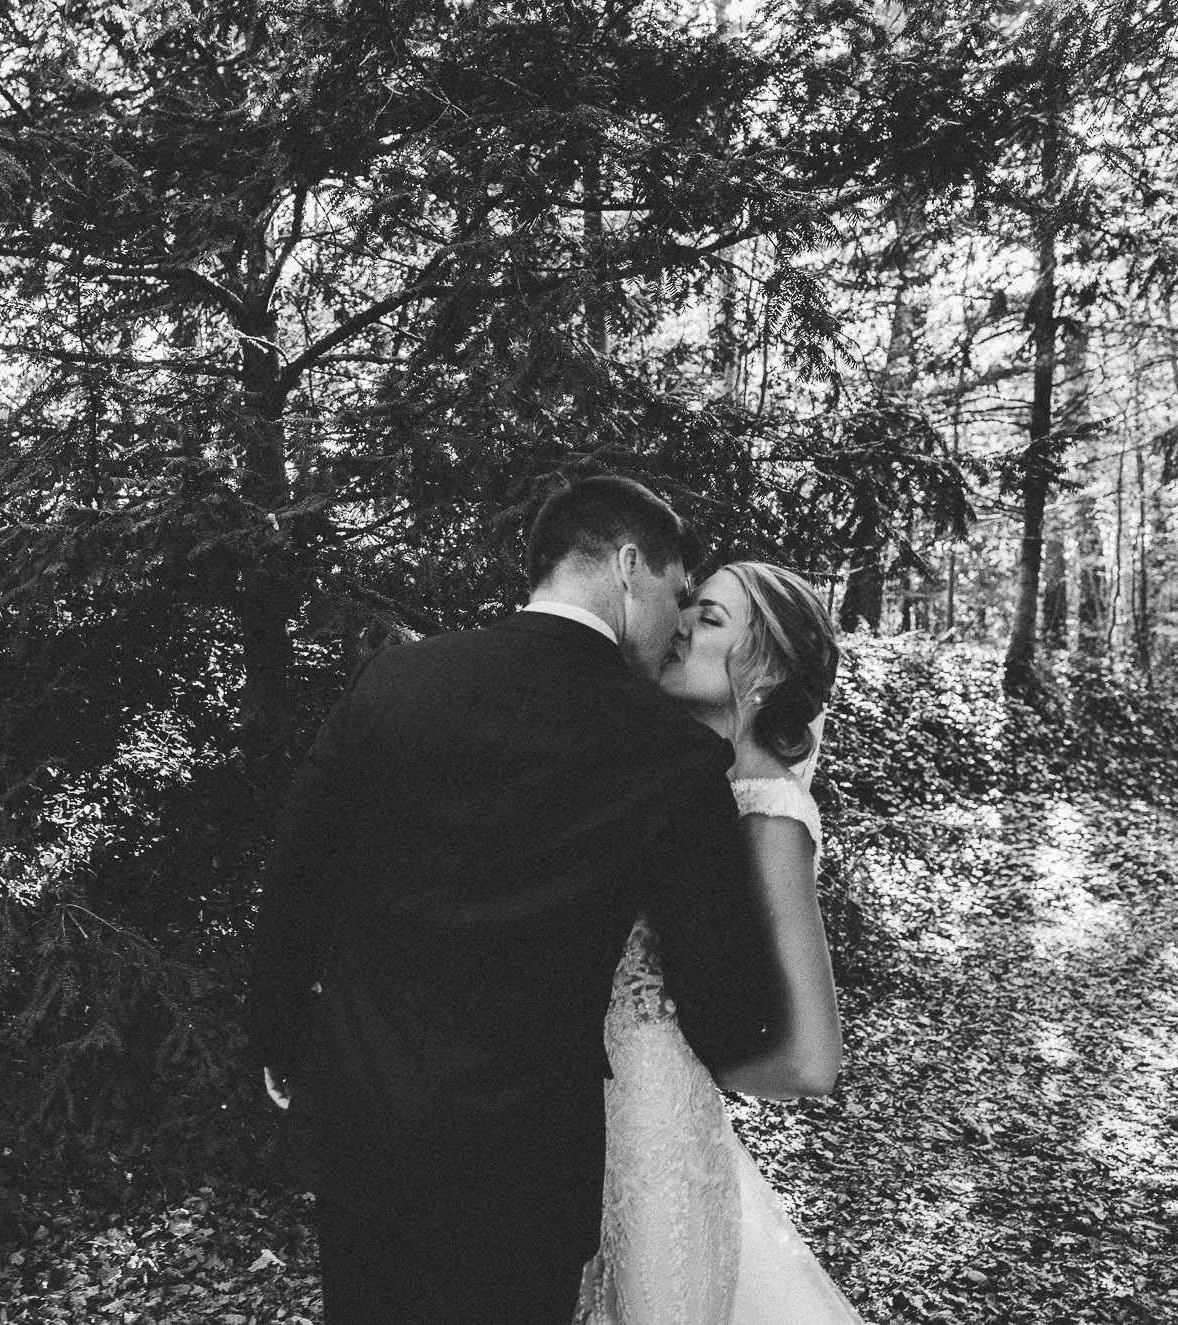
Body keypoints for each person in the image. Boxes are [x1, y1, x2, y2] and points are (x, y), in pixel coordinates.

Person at [246, 476, 790, 1325]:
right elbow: (723, 1005)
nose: (679, 625)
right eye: (679, 596)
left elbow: (298, 879)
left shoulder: (396, 680)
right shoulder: (669, 756)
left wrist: (279, 1035)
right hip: (520, 1166)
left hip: (365, 1126)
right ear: (628, 565)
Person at [577, 561, 860, 1325]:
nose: (681, 629)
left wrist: (677, 1072)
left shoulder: (766, 807)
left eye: (710, 619)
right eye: (689, 608)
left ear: (763, 664)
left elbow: (812, 1058)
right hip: (575, 1141)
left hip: (655, 1144)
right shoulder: (669, 780)